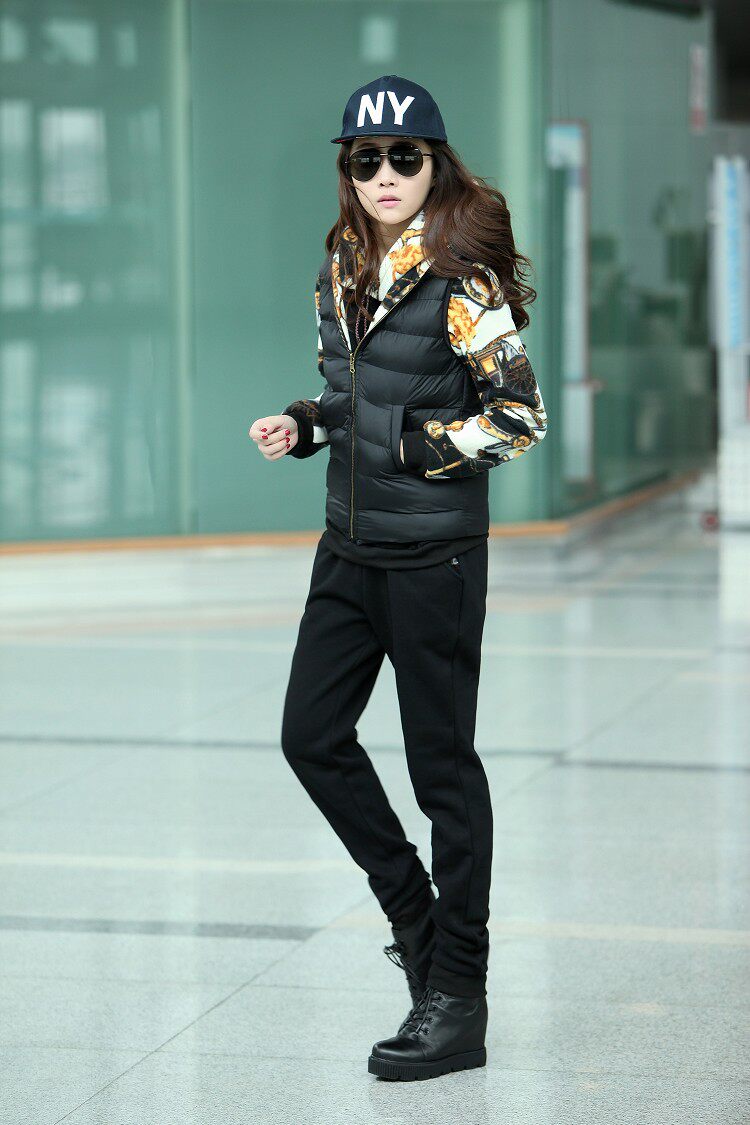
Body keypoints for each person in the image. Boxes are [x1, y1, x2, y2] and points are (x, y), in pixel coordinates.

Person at [249, 74, 548, 1082]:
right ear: (349, 169)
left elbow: (518, 417)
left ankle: (457, 994)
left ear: (435, 165)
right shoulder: (341, 262)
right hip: (349, 546)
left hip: (434, 557)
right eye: (365, 159)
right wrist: (306, 424)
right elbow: (351, 394)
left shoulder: (464, 280)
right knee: (310, 736)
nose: (384, 175)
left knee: (441, 773)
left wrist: (417, 449)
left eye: (404, 158)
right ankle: (416, 921)